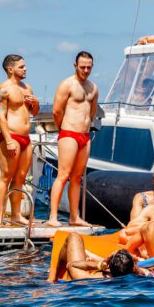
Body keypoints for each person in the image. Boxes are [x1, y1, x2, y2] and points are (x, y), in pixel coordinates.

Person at [46, 51, 99, 227]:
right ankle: (53, 217)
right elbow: (56, 110)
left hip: (85, 135)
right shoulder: (67, 84)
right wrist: (63, 128)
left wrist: (86, 126)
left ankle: (74, 217)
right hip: (69, 133)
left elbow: (92, 110)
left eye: (89, 67)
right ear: (75, 65)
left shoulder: (93, 87)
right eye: (82, 66)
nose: (85, 70)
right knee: (63, 175)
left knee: (77, 178)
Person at [0, 55, 40, 225]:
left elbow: (33, 113)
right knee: (6, 176)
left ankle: (16, 214)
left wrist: (35, 102)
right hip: (11, 136)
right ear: (10, 69)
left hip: (26, 137)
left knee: (20, 177)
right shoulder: (2, 89)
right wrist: (8, 140)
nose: (25, 69)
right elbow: (0, 116)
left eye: (25, 66)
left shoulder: (27, 88)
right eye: (21, 67)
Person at [47, 232, 136, 281]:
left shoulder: (92, 278)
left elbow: (71, 265)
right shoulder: (140, 274)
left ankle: (53, 278)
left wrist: (100, 264)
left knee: (74, 237)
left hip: (74, 293)